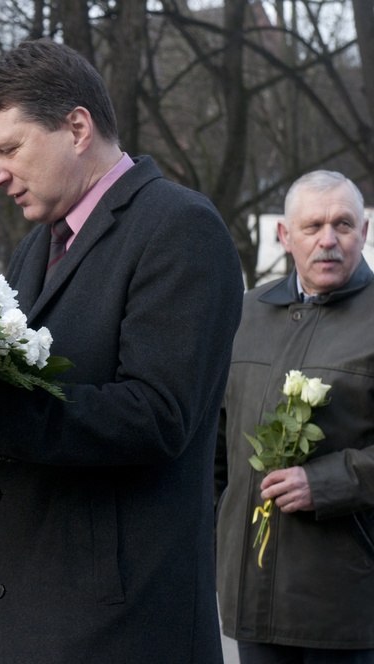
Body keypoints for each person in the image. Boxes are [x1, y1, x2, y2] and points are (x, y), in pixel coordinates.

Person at [0, 39, 245, 662]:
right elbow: (16, 397)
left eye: (8, 149)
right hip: (25, 616)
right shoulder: (37, 247)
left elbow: (157, 415)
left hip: (123, 630)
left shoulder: (178, 227)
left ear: (77, 127)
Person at [215, 170, 374, 664]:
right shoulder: (244, 315)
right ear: (285, 236)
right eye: (312, 227)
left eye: (343, 225)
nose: (328, 240)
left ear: (364, 231)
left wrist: (325, 482)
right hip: (252, 597)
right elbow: (214, 444)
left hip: (346, 599)